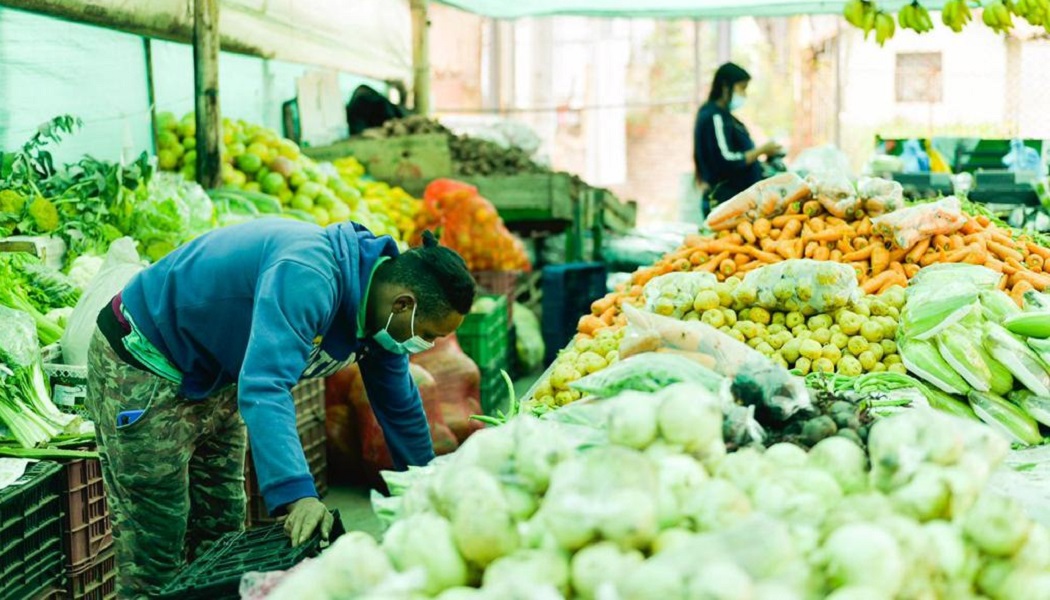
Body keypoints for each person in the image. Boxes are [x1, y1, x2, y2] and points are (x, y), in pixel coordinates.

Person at [85, 219, 476, 598]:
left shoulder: (380, 317)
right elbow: (267, 385)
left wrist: (428, 487)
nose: (425, 344)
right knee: (156, 543)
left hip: (218, 375)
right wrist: (297, 494)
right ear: (404, 304)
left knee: (221, 533)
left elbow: (399, 405)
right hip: (146, 363)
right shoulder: (310, 275)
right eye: (428, 335)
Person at [693, 62, 783, 216]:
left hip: (736, 202)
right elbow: (725, 160)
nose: (744, 94)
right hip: (725, 201)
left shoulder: (726, 118)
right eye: (742, 88)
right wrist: (761, 150)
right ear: (725, 86)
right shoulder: (715, 116)